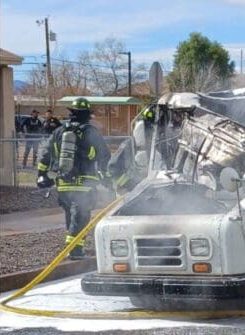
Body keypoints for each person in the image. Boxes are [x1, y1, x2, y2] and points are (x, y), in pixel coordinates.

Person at [36, 97, 111, 260]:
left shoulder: (58, 131)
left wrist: (41, 175)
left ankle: (74, 246)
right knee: (81, 216)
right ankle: (75, 250)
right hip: (84, 183)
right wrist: (106, 177)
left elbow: (45, 154)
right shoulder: (90, 132)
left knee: (71, 215)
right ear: (87, 115)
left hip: (63, 183)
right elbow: (104, 155)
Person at [108, 105, 156, 191]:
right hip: (128, 193)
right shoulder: (129, 145)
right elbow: (112, 167)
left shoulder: (157, 148)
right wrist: (127, 183)